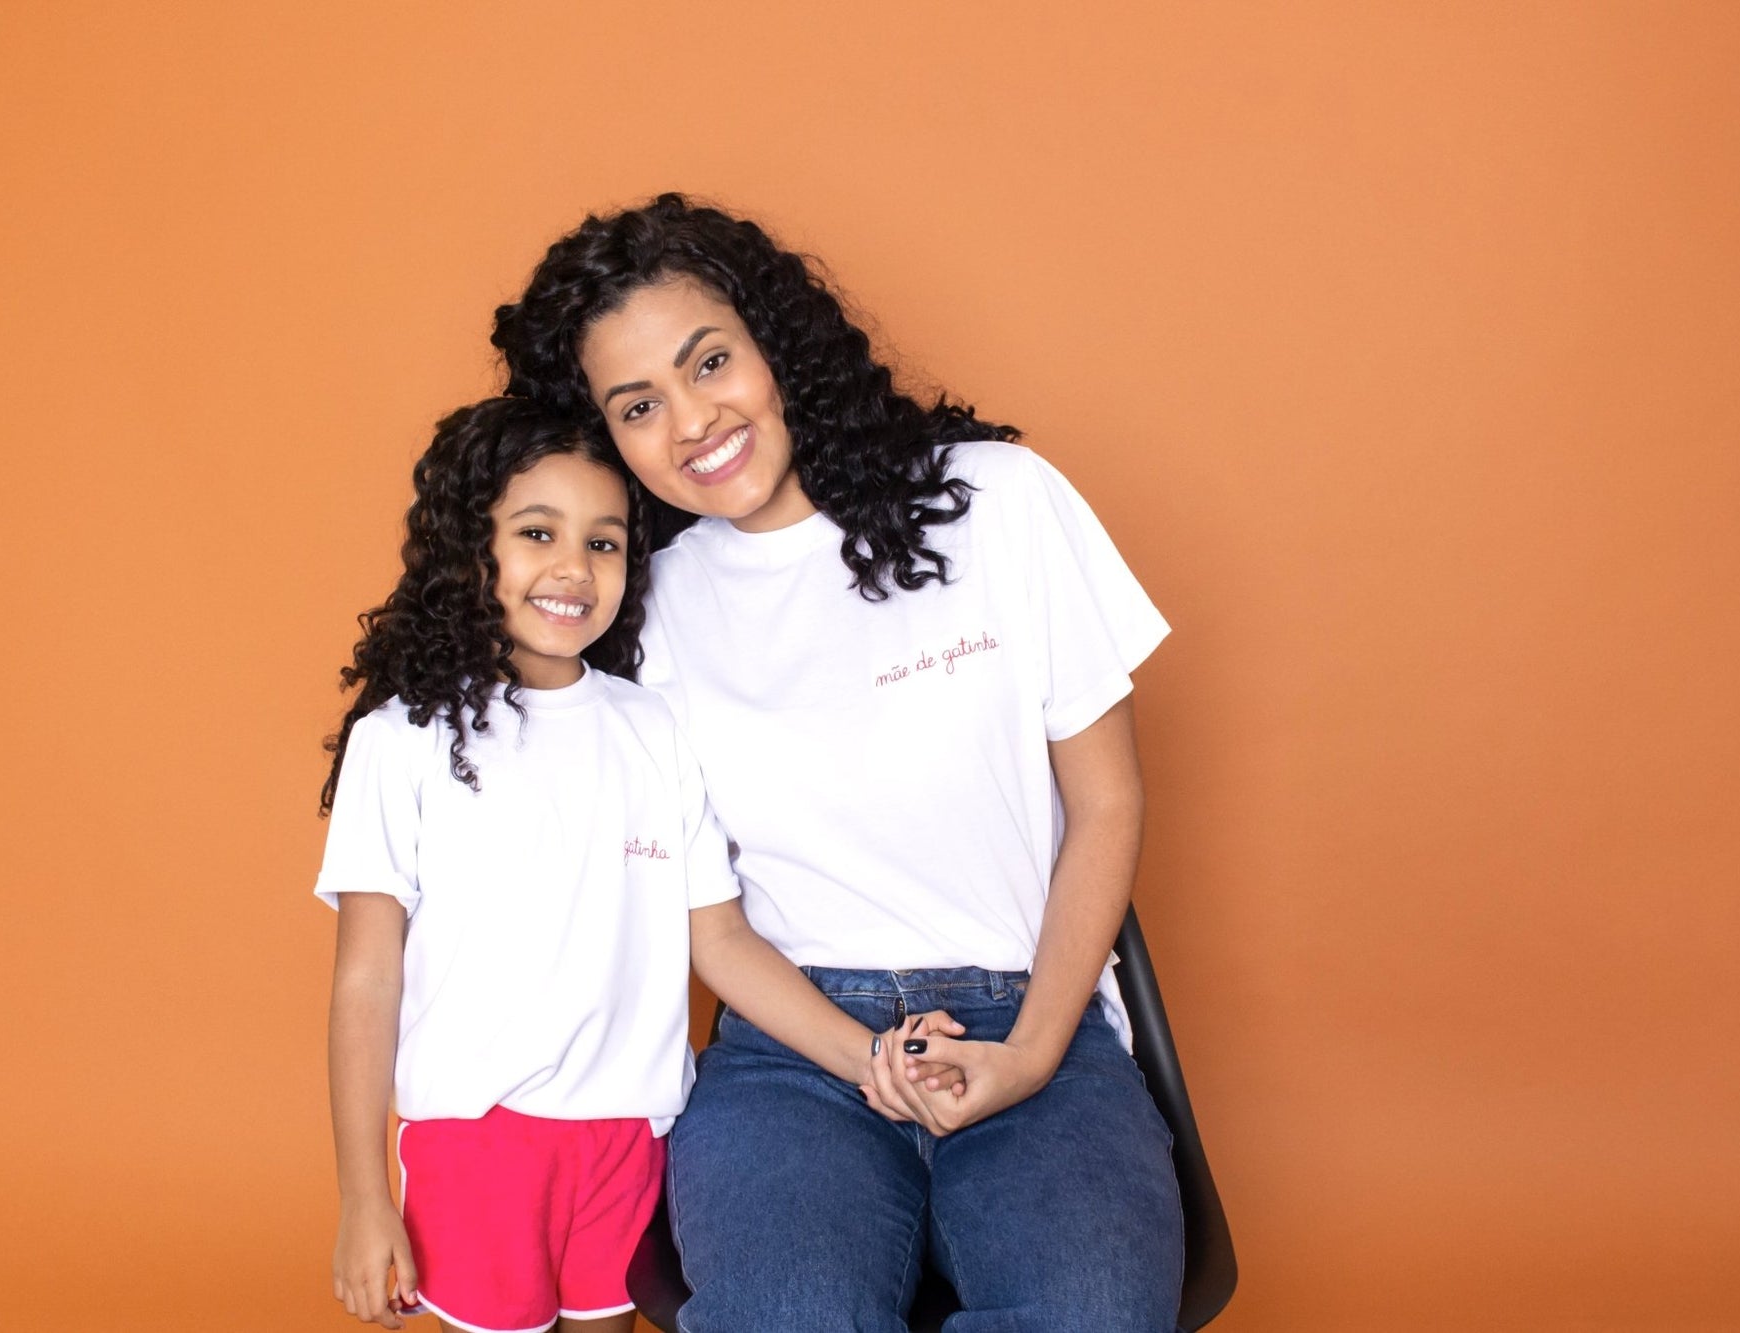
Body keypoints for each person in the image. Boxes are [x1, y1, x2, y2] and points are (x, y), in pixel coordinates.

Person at [492, 195, 1185, 1332]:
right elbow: (706, 921)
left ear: (775, 343)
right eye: (638, 406)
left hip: (1034, 1020)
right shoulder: (643, 611)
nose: (692, 421)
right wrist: (865, 1052)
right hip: (794, 1053)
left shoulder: (1000, 502)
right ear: (606, 439)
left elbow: (1105, 800)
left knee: (1093, 1314)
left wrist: (1028, 1053)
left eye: (710, 361)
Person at [316, 397, 956, 1333]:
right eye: (538, 533)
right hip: (479, 1142)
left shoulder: (652, 725)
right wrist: (364, 1196)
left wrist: (874, 1059)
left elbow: (722, 939)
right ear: (469, 545)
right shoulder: (403, 738)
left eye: (605, 542)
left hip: (632, 1137)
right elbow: (367, 978)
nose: (574, 568)